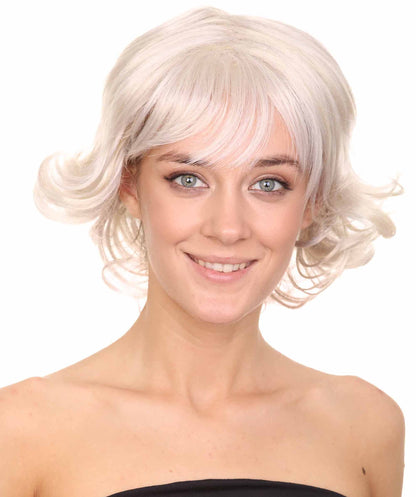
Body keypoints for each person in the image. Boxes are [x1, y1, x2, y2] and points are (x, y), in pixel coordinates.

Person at [0, 6, 405, 497]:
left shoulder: (365, 425)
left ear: (311, 202)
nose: (228, 227)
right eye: (188, 179)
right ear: (129, 184)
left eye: (269, 183)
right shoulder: (20, 430)